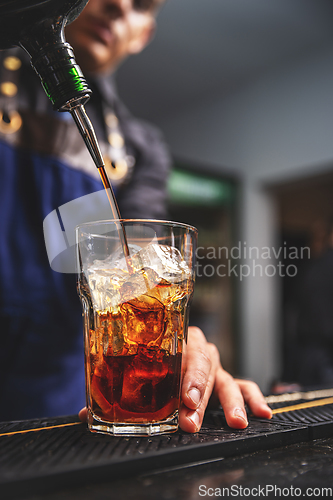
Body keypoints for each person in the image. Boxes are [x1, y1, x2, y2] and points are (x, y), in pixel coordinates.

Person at [0, 0, 272, 430]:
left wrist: (180, 340)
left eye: (141, 4)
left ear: (143, 35)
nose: (117, 6)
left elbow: (145, 267)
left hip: (69, 404)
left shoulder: (140, 148)